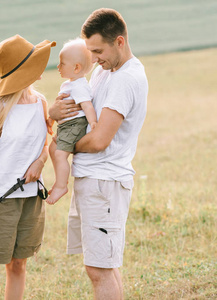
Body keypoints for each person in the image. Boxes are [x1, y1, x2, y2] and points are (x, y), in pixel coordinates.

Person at [49, 8, 148, 299]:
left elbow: (99, 140)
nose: (93, 59)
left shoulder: (124, 79)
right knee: (105, 266)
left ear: (119, 41)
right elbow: (80, 114)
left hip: (104, 182)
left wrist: (63, 145)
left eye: (97, 50)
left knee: (99, 269)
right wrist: (55, 113)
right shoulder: (106, 72)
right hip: (94, 180)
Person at [0, 34, 55, 300]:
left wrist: (40, 162)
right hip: (0, 199)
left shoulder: (40, 103)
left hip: (30, 198)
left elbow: (45, 143)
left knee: (18, 265)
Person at [46, 38, 96, 205]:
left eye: (62, 63)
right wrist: (51, 119)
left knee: (60, 154)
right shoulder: (70, 84)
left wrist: (94, 123)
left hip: (75, 125)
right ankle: (59, 180)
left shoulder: (79, 86)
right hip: (67, 125)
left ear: (76, 67)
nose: (58, 67)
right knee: (52, 148)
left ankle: (61, 186)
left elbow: (87, 106)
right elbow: (60, 106)